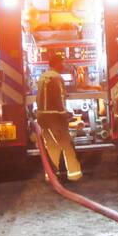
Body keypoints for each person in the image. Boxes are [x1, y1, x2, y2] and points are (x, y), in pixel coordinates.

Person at [36, 53, 82, 181]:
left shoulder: (42, 77)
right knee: (67, 146)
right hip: (55, 118)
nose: (63, 65)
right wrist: (65, 113)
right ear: (56, 63)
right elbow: (60, 98)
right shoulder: (57, 78)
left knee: (52, 147)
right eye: (61, 63)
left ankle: (51, 176)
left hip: (43, 118)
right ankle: (74, 175)